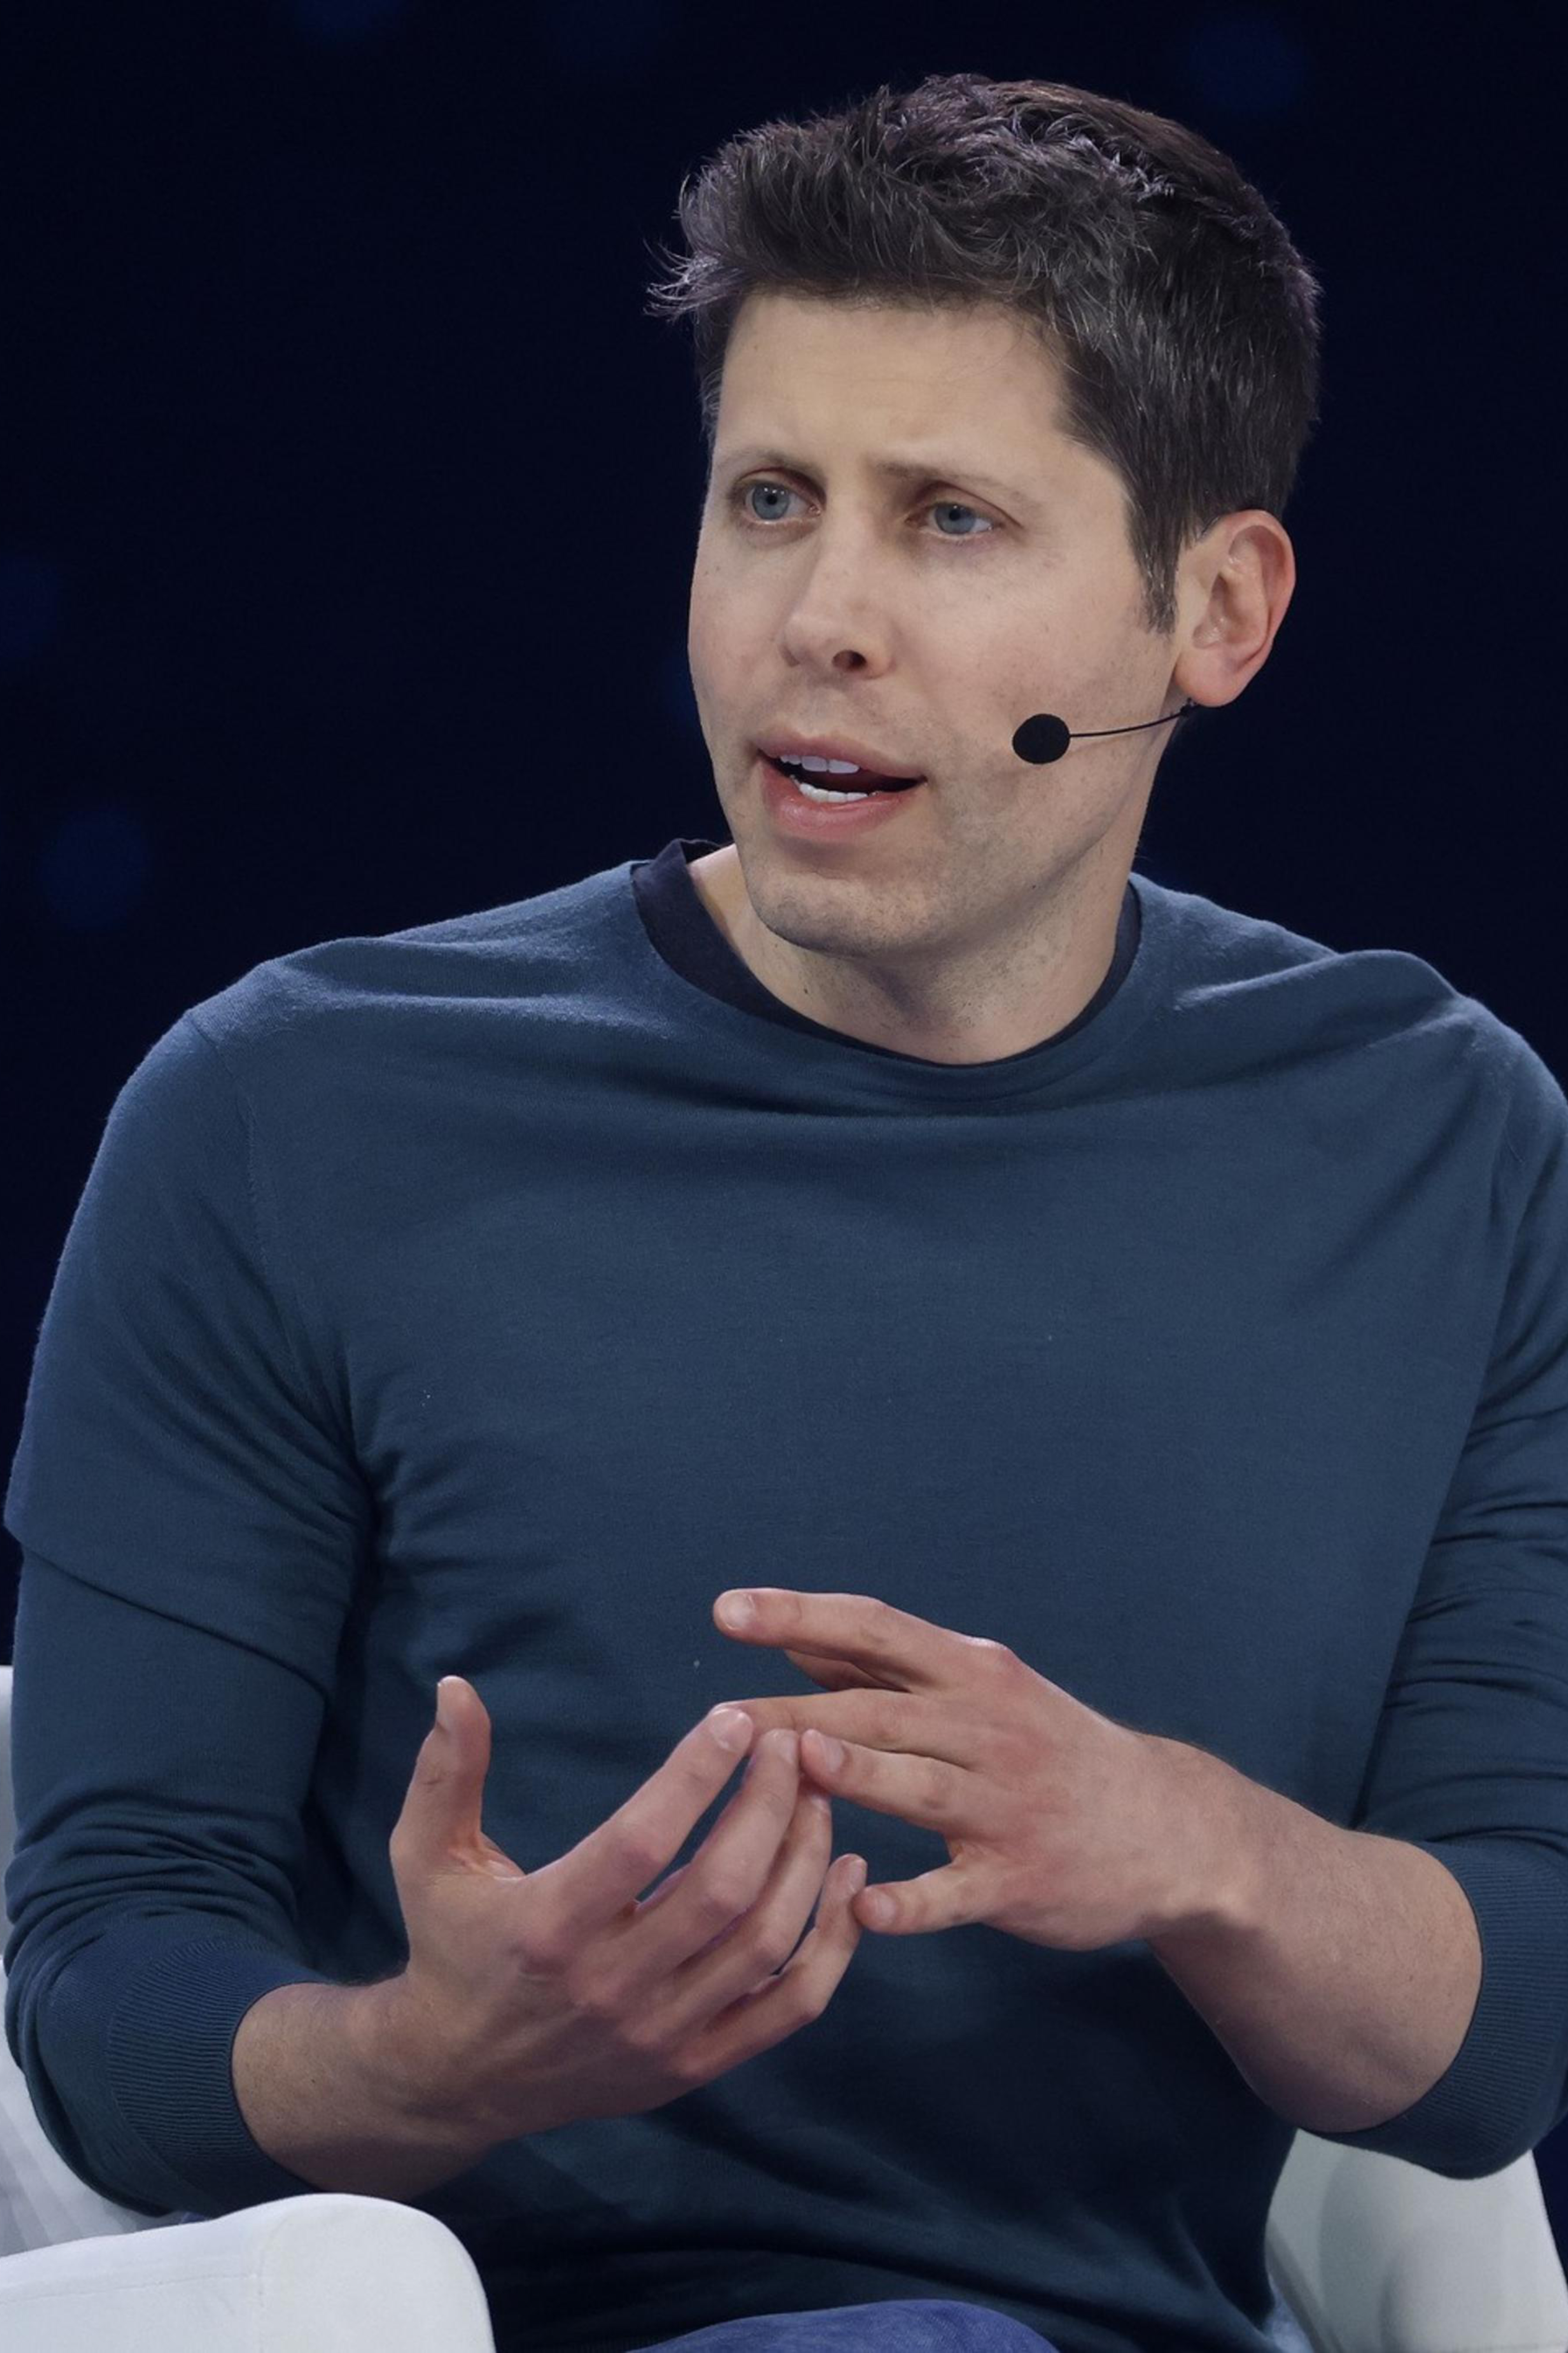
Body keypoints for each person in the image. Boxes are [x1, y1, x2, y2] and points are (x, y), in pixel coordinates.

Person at [6, 67, 1567, 2353]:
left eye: (946, 520)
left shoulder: (1436, 1146)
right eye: (767, 501)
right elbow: (105, 1984)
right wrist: (425, 2066)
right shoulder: (295, 1114)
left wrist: (1190, 1848)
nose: (815, 618)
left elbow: (1495, 2029)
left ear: (1209, 612)